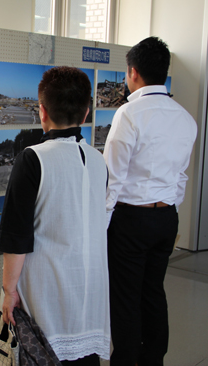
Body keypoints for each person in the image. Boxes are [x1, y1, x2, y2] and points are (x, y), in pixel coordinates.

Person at [0, 66, 110, 365]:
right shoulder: (100, 161)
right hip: (91, 296)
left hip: (46, 295)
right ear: (86, 114)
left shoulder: (33, 158)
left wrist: (9, 290)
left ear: (42, 112)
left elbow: (17, 235)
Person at [103, 37, 197, 366]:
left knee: (126, 296)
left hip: (130, 220)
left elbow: (112, 179)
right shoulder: (185, 117)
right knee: (153, 290)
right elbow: (181, 176)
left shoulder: (129, 114)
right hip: (166, 218)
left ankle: (126, 360)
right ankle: (153, 358)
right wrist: (166, 209)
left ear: (133, 73)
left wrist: (102, 226)